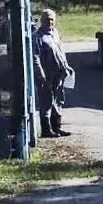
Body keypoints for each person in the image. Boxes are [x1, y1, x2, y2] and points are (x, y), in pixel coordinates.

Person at [32, 8, 74, 138]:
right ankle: (46, 130)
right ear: (41, 21)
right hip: (47, 74)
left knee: (58, 100)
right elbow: (35, 56)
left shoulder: (55, 33)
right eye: (46, 19)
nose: (49, 22)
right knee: (46, 101)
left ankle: (57, 127)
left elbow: (61, 52)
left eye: (51, 19)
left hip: (58, 73)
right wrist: (40, 73)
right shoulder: (38, 36)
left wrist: (67, 67)